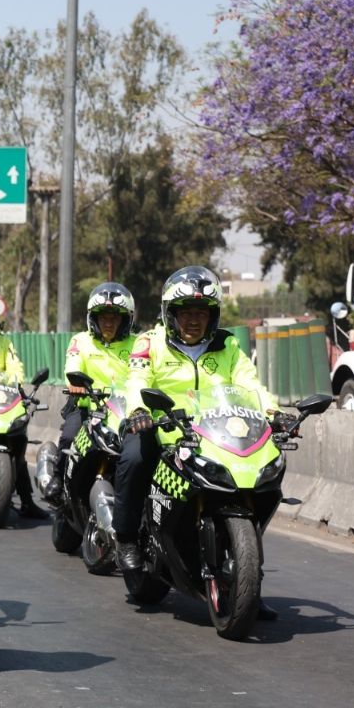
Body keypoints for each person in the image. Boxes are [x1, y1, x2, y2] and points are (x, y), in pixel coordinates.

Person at [114, 266, 291, 621]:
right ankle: (126, 538)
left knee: (261, 478)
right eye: (185, 312)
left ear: (213, 315)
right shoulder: (149, 343)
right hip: (164, 429)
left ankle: (247, 581)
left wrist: (274, 411)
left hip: (217, 432)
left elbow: (250, 385)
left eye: (202, 312)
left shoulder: (228, 346)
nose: (194, 320)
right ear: (170, 314)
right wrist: (138, 411)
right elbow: (137, 380)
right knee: (133, 458)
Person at [44, 282, 137, 502]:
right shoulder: (81, 341)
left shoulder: (138, 344)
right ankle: (58, 478)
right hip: (87, 407)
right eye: (103, 317)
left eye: (115, 317)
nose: (108, 322)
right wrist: (75, 382)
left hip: (125, 412)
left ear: (126, 319)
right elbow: (73, 365)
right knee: (69, 436)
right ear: (93, 318)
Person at [0, 288, 48, 520]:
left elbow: (15, 368)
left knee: (17, 444)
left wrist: (17, 385)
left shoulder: (3, 342)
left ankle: (27, 501)